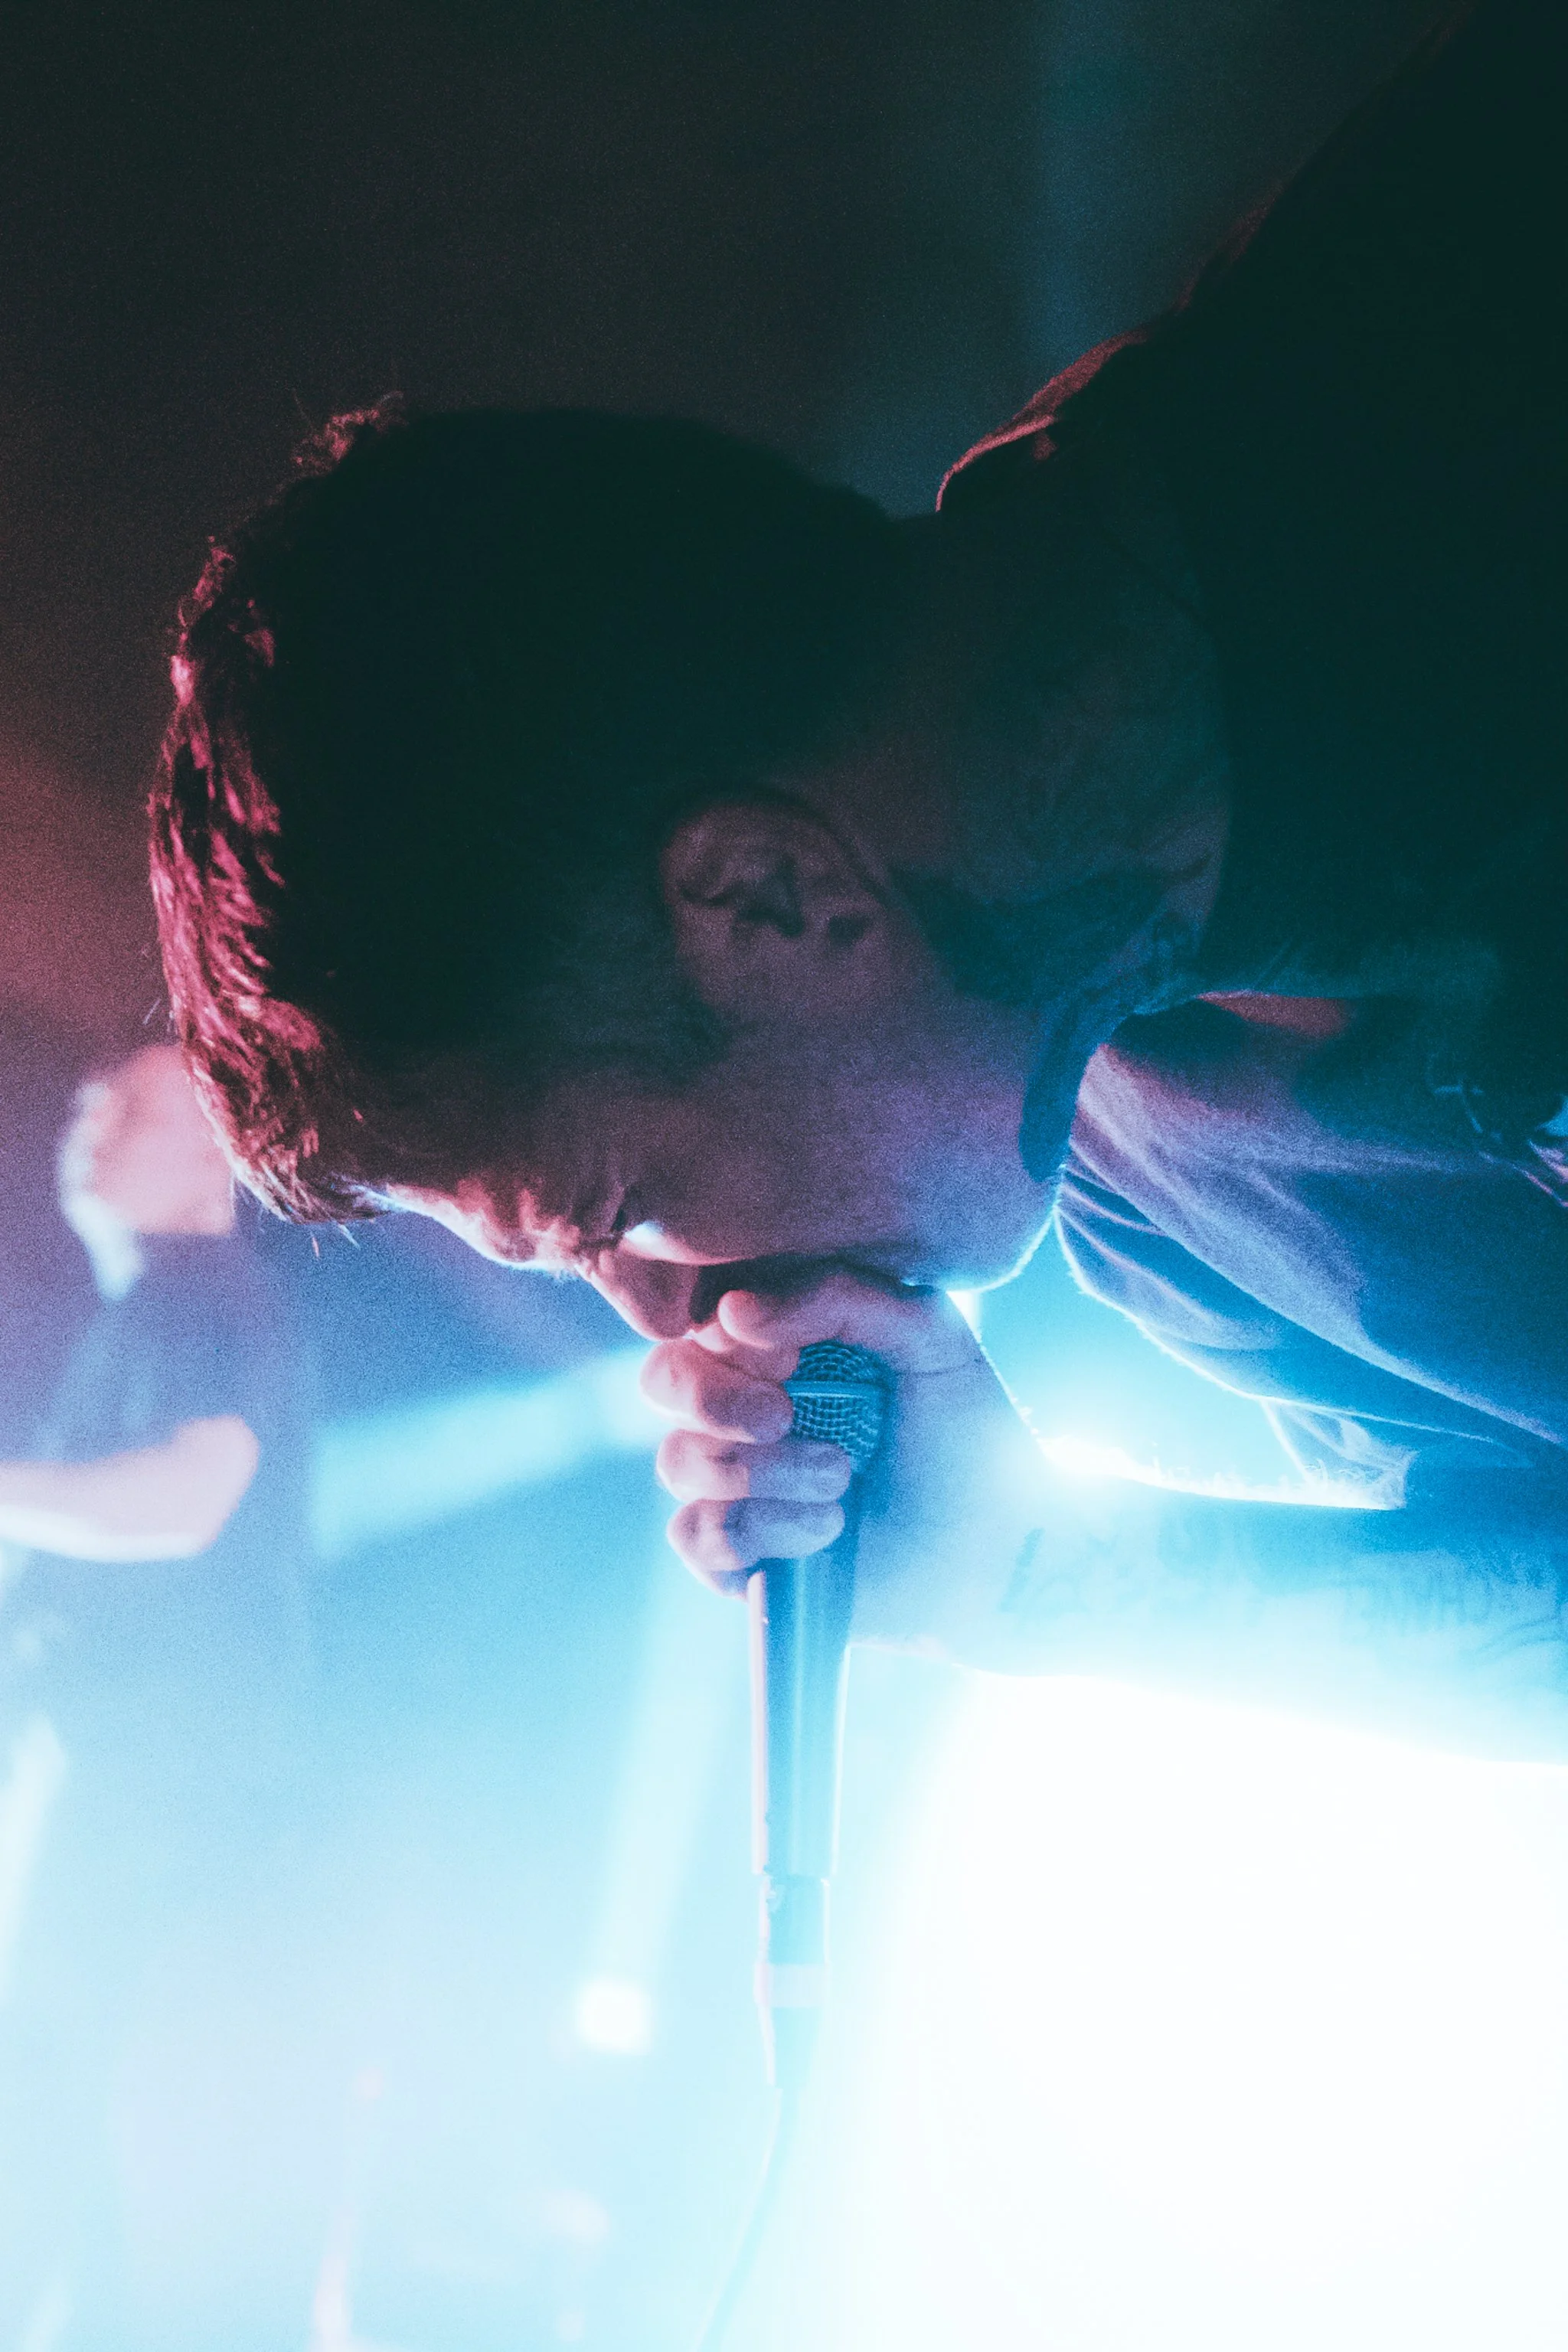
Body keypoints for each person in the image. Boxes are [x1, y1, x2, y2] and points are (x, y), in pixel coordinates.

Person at [150, 0, 1568, 1756]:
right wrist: (1044, 1587)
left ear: (762, 897)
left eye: (613, 1213)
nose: (682, 1324)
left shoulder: (1482, 262)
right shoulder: (1157, 1184)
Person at [0, 1044, 315, 2342]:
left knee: (61, 2100)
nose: (91, 1118)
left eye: (130, 1106)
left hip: (158, 1786)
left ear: (214, 1162)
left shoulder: (202, 1293)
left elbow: (190, 1500)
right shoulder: (153, 1311)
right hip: (140, 1780)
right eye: (91, 1100)